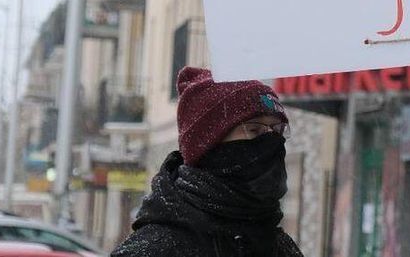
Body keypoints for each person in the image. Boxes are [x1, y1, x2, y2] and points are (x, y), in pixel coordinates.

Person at [112, 67, 304, 257]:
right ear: (209, 144)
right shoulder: (152, 250)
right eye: (254, 130)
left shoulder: (281, 247)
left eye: (277, 130)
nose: (272, 141)